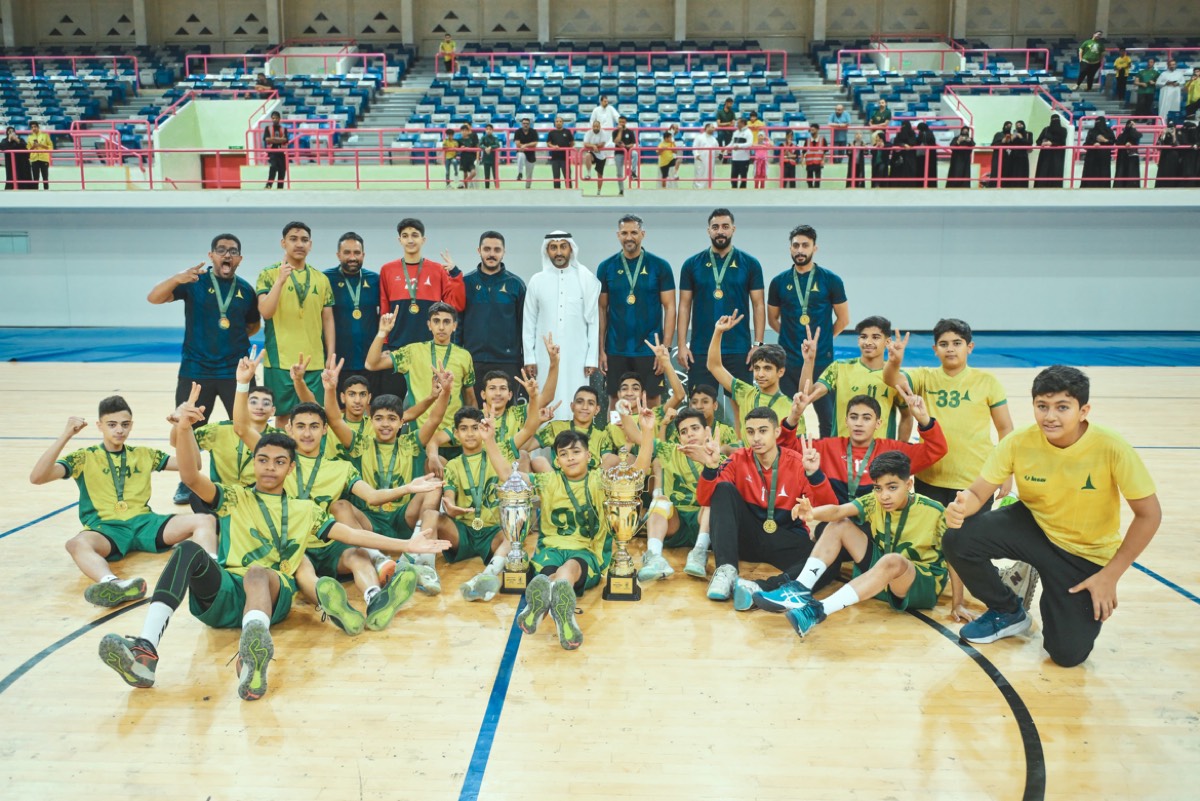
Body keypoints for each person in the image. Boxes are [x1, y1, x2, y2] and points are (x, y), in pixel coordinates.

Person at [97, 397, 449, 700]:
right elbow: (190, 477)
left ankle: (252, 654)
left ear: (291, 468)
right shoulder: (234, 496)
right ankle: (145, 651)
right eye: (263, 459)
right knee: (188, 551)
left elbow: (354, 536)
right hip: (225, 593)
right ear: (254, 462)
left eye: (279, 462)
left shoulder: (306, 510)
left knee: (258, 573)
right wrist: (186, 428)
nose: (269, 467)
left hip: (273, 591)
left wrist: (407, 544)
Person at [943, 366, 1160, 667]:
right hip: (1034, 525)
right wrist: (961, 506)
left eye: (1062, 407)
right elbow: (978, 493)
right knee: (958, 539)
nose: (1050, 416)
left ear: (1083, 411)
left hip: (1084, 553)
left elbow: (1149, 515)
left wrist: (1110, 576)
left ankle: (1045, 584)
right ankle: (1008, 610)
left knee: (1066, 655)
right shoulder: (1018, 441)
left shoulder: (1112, 447)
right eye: (1042, 406)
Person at [28, 395, 218, 607]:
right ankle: (114, 584)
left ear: (131, 426)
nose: (119, 430)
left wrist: (185, 427)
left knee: (205, 520)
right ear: (99, 426)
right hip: (107, 529)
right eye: (112, 425)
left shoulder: (143, 454)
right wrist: (66, 434)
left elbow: (193, 465)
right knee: (75, 544)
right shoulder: (83, 457)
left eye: (125, 425)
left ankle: (213, 572)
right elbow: (37, 477)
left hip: (145, 524)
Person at [767, 451, 962, 638]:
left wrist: (958, 603)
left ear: (909, 484)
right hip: (882, 574)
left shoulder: (935, 511)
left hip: (919, 584)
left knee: (893, 560)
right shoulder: (874, 501)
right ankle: (800, 588)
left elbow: (954, 557)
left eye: (892, 488)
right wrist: (812, 513)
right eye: (878, 488)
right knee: (839, 524)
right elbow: (838, 511)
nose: (884, 495)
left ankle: (818, 611)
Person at [482, 417, 637, 650]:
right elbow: (508, 475)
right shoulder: (548, 480)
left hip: (586, 551)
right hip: (550, 550)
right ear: (556, 460)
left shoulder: (600, 480)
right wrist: (489, 440)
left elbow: (636, 472)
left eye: (576, 452)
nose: (570, 457)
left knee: (566, 570)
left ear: (589, 456)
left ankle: (540, 605)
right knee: (554, 574)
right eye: (564, 454)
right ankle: (564, 613)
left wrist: (645, 433)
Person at [148, 233, 261, 503]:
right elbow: (154, 298)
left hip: (235, 371)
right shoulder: (193, 283)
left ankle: (252, 478)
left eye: (232, 251)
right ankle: (188, 481)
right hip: (196, 370)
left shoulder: (246, 290)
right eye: (221, 250)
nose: (227, 255)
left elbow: (253, 324)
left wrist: (229, 338)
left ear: (240, 259)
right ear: (211, 256)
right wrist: (177, 278)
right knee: (188, 428)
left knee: (247, 426)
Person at [695, 407, 838, 601]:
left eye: (763, 431)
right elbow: (706, 500)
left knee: (830, 561)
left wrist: (814, 474)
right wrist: (711, 468)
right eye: (750, 432)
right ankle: (726, 570)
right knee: (723, 489)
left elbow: (830, 508)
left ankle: (761, 588)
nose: (756, 438)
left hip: (784, 537)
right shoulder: (738, 459)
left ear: (777, 432)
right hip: (748, 538)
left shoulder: (797, 463)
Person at [881, 321, 1012, 509]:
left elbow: (1005, 428)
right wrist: (894, 362)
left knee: (972, 529)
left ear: (970, 347)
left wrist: (1007, 471)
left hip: (975, 480)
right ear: (935, 349)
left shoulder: (987, 382)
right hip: (930, 478)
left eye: (957, 343)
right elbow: (892, 379)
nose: (950, 349)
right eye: (944, 344)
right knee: (932, 528)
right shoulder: (923, 377)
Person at [439, 397, 542, 601]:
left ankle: (487, 575)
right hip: (464, 532)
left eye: (475, 428)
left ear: (483, 429)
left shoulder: (499, 450)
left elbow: (529, 428)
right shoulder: (452, 465)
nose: (470, 433)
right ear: (456, 434)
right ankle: (421, 567)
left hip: (493, 532)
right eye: (464, 429)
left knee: (513, 536)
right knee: (431, 516)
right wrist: (449, 507)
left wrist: (533, 395)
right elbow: (449, 498)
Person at [677, 208, 765, 412]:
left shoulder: (750, 264)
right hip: (702, 349)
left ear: (733, 229)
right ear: (708, 230)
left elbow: (759, 304)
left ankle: (740, 436)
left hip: (739, 349)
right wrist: (681, 345)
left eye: (725, 226)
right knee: (699, 407)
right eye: (715, 227)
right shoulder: (691, 265)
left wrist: (758, 344)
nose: (720, 231)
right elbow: (684, 305)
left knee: (741, 407)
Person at [766, 224, 849, 435]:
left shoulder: (831, 280)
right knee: (786, 416)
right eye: (796, 245)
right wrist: (789, 336)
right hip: (788, 360)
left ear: (815, 248)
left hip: (821, 360)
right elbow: (773, 319)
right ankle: (789, 453)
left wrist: (824, 340)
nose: (800, 250)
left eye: (805, 245)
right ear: (790, 248)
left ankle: (826, 455)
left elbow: (843, 319)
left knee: (828, 419)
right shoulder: (779, 282)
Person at [255, 221, 335, 427]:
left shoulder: (321, 279)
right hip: (280, 361)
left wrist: (330, 355)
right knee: (283, 417)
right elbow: (265, 311)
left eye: (304, 240)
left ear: (310, 245)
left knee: (315, 415)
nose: (299, 244)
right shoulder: (268, 274)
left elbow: (328, 319)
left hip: (314, 361)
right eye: (293, 239)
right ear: (283, 243)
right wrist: (280, 281)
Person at [377, 217, 466, 401]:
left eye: (415, 235)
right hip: (397, 347)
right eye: (405, 236)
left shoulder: (437, 270)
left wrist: (455, 273)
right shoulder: (387, 270)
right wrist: (385, 344)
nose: (410, 240)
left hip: (429, 348)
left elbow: (456, 305)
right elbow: (385, 309)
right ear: (399, 240)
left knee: (428, 401)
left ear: (423, 240)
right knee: (392, 402)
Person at [596, 214, 676, 409]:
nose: (629, 237)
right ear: (618, 235)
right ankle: (615, 432)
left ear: (642, 234)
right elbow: (601, 309)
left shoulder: (660, 266)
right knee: (616, 401)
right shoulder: (606, 267)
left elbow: (670, 308)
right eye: (624, 233)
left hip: (650, 349)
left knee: (652, 401)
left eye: (634, 232)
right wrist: (601, 350)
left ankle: (652, 432)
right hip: (616, 348)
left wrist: (664, 350)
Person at [523, 231, 600, 420]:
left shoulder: (585, 279)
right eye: (553, 247)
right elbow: (529, 320)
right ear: (547, 250)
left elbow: (593, 321)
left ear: (571, 249)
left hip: (578, 354)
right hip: (544, 355)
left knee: (577, 395)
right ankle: (544, 438)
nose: (558, 252)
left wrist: (591, 358)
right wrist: (530, 356)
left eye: (563, 247)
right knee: (546, 396)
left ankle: (576, 438)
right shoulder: (537, 280)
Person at [366, 302, 475, 428]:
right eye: (436, 321)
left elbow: (470, 399)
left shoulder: (464, 356)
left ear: (454, 325)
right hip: (419, 434)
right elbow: (371, 364)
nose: (441, 327)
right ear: (429, 325)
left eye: (446, 322)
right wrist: (382, 333)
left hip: (452, 435)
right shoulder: (412, 352)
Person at [805, 316, 910, 440]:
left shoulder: (897, 377)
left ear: (887, 342)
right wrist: (809, 361)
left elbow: (907, 415)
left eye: (875, 337)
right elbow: (807, 395)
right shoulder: (839, 368)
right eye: (863, 337)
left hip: (881, 451)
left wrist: (901, 448)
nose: (868, 342)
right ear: (858, 340)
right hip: (841, 448)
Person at [708, 313, 800, 440]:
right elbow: (714, 366)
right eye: (757, 368)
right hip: (746, 453)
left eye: (767, 368)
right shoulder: (745, 392)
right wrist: (718, 331)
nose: (760, 374)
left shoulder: (791, 409)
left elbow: (796, 447)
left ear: (780, 371)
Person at [461, 231, 527, 396]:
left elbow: (525, 326)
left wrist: (526, 359)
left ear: (504, 252)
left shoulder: (516, 284)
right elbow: (457, 323)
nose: (491, 254)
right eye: (487, 249)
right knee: (473, 409)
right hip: (472, 360)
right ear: (479, 251)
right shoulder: (466, 283)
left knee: (507, 408)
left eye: (497, 250)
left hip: (508, 362)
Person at [322, 232, 385, 396]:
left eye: (357, 253)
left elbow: (385, 315)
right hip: (338, 360)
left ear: (363, 255)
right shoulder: (325, 279)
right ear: (338, 255)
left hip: (370, 360)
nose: (352, 257)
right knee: (340, 406)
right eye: (347, 252)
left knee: (371, 405)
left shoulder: (375, 280)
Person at [1033, 115, 1068, 188]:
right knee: (1043, 171)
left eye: (1056, 119)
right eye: (1054, 120)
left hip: (1057, 155)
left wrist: (1052, 143)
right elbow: (1038, 141)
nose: (1055, 121)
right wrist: (1042, 143)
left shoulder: (1063, 130)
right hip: (1045, 155)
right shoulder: (1046, 129)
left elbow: (1062, 142)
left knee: (1055, 172)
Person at [1080, 117, 1115, 188]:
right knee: (1090, 173)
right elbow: (1086, 143)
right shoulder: (1091, 131)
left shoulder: (1109, 131)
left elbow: (1112, 142)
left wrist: (1104, 140)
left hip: (1104, 157)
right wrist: (1093, 144)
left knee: (1103, 173)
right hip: (1092, 157)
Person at [545, 116, 574, 190]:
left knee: (567, 177)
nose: (558, 123)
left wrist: (566, 148)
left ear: (563, 123)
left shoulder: (567, 132)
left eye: (560, 121)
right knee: (556, 177)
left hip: (565, 158)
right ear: (555, 123)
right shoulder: (551, 133)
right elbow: (548, 143)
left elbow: (572, 143)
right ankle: (557, 193)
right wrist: (553, 146)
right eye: (557, 121)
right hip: (555, 159)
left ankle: (569, 191)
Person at [582, 119, 610, 194]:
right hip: (592, 153)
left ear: (599, 127)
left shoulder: (603, 133)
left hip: (601, 156)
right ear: (592, 126)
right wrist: (593, 146)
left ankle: (598, 191)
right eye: (594, 126)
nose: (596, 128)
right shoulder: (588, 133)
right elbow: (585, 144)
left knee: (599, 175)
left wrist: (594, 146)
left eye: (597, 126)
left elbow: (602, 144)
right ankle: (588, 174)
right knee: (587, 155)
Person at [1113, 120, 1143, 187]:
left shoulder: (1137, 134)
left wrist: (1133, 128)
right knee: (1121, 171)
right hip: (1122, 157)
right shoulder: (1121, 135)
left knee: (1132, 172)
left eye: (1133, 124)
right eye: (1130, 124)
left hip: (1132, 157)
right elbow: (1118, 142)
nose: (1131, 126)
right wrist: (1125, 144)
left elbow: (1137, 136)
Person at [611, 116, 636, 195]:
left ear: (625, 122)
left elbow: (632, 144)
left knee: (635, 154)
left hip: (628, 151)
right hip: (619, 153)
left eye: (623, 122)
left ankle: (633, 172)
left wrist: (626, 146)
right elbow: (616, 141)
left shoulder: (630, 132)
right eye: (620, 122)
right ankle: (621, 190)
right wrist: (620, 131)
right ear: (618, 122)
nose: (621, 123)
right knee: (619, 173)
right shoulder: (615, 132)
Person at [1002, 121, 1032, 188]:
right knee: (1013, 173)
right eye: (1017, 125)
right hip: (1013, 157)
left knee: (1022, 173)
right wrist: (1012, 138)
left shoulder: (1029, 133)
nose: (1019, 126)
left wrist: (1021, 137)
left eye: (1020, 124)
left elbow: (1029, 143)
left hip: (1023, 157)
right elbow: (1009, 144)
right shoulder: (1014, 134)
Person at [263, 111, 287, 189]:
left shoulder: (284, 129)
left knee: (282, 171)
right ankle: (268, 185)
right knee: (273, 167)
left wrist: (273, 139)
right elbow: (267, 139)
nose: (274, 119)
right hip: (272, 153)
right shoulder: (268, 128)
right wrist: (280, 139)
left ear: (279, 119)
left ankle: (280, 188)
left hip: (282, 153)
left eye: (276, 118)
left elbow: (285, 140)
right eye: (273, 118)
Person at [890, 120, 918, 187]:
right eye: (902, 126)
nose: (903, 127)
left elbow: (913, 142)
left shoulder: (912, 134)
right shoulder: (900, 134)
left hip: (910, 157)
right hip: (901, 157)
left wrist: (907, 145)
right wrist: (903, 145)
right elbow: (896, 142)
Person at [692, 122, 720, 188]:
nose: (713, 129)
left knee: (709, 174)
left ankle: (708, 188)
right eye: (712, 127)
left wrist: (721, 153)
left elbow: (717, 151)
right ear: (707, 128)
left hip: (710, 162)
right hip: (701, 160)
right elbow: (694, 147)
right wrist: (696, 155)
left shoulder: (714, 139)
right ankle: (697, 189)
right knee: (700, 174)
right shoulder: (699, 137)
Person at [513, 117, 538, 188]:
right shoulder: (518, 132)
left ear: (529, 124)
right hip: (521, 151)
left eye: (527, 123)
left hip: (531, 154)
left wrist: (525, 145)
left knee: (529, 173)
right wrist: (525, 146)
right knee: (521, 155)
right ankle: (520, 173)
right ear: (522, 124)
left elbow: (535, 143)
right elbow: (517, 143)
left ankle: (528, 187)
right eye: (524, 123)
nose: (525, 125)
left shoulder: (533, 132)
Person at [26, 121, 52, 190]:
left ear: (38, 127)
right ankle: (35, 192)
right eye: (32, 127)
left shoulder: (45, 135)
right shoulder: (29, 137)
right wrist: (33, 147)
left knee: (45, 178)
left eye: (35, 127)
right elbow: (28, 149)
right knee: (35, 178)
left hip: (44, 159)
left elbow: (51, 147)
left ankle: (46, 191)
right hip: (34, 159)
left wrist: (41, 145)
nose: (33, 128)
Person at [728, 118, 753, 188]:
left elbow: (749, 144)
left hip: (744, 159)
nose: (736, 124)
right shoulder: (735, 132)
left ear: (743, 123)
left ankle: (743, 193)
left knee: (743, 178)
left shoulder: (748, 132)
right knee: (733, 178)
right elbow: (732, 143)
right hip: (735, 159)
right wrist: (725, 148)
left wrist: (739, 146)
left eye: (738, 123)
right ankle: (734, 191)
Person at [915, 121, 938, 188]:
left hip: (924, 156)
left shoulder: (923, 133)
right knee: (931, 171)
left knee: (923, 170)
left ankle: (922, 184)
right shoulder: (930, 133)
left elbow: (918, 141)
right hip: (932, 155)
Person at [803, 123, 826, 188]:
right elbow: (803, 152)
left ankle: (816, 192)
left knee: (817, 180)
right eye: (811, 130)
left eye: (813, 130)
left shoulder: (822, 140)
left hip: (818, 163)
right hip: (809, 163)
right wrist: (803, 160)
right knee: (809, 180)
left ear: (817, 130)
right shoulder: (807, 140)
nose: (811, 131)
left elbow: (825, 152)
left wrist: (823, 160)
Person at [457, 123, 479, 188]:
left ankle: (464, 182)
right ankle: (465, 188)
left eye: (465, 130)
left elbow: (476, 148)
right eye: (462, 130)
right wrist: (460, 149)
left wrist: (468, 149)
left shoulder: (471, 139)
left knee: (473, 172)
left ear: (468, 131)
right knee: (465, 173)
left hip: (471, 159)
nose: (464, 132)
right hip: (463, 159)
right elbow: (457, 151)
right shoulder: (459, 140)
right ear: (460, 131)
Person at [480, 123, 501, 188]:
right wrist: (485, 148)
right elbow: (480, 145)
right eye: (487, 129)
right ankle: (487, 189)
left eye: (490, 129)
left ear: (492, 130)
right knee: (486, 176)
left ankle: (497, 188)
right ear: (485, 130)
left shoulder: (495, 138)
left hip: (494, 159)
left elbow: (497, 145)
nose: (488, 130)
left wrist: (490, 147)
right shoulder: (483, 138)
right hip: (486, 159)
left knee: (495, 175)